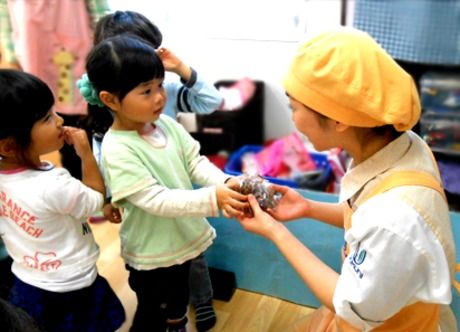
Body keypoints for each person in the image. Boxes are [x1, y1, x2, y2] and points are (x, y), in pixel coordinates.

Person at [236, 27, 457, 331]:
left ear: (339, 118)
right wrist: (307, 207)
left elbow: (350, 305)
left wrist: (276, 232)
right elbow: (367, 214)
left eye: (294, 108)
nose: (294, 119)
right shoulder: (402, 145)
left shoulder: (395, 220)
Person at [79, 35, 247, 332]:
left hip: (182, 237)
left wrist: (227, 182)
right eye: (146, 91)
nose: (159, 97)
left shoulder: (166, 125)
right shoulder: (117, 147)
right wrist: (213, 198)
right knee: (151, 311)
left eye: (159, 86)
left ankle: (177, 323)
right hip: (151, 251)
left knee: (179, 297)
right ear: (110, 99)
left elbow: (194, 162)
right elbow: (153, 199)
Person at [0, 69, 125, 332]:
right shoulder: (53, 184)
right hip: (73, 283)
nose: (58, 121)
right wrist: (85, 153)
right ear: (9, 146)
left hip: (26, 280)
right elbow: (95, 200)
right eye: (47, 118)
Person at [0, 0, 111, 179]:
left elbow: (99, 9)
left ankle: (97, 184)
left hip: (79, 46)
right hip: (34, 49)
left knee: (86, 120)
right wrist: (11, 53)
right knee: (50, 118)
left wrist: (104, 42)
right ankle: (77, 180)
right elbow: (4, 10)